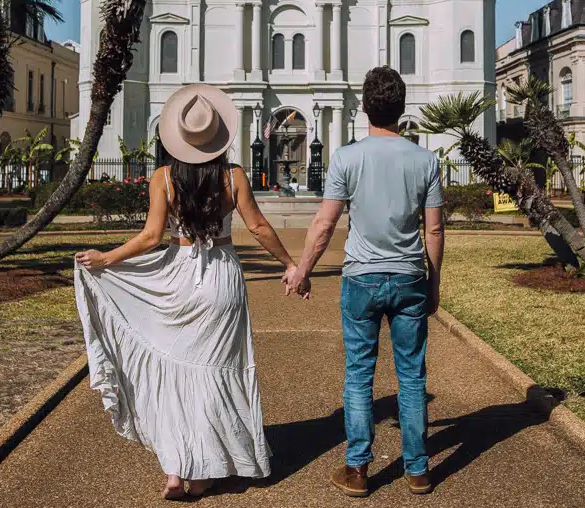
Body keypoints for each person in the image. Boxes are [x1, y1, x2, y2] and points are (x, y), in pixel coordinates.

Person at [75, 84, 298, 500]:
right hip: (222, 281)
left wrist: (107, 259)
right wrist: (290, 264)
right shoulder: (233, 177)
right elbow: (259, 227)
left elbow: (150, 237)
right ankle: (205, 469)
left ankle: (177, 470)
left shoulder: (163, 177)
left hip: (180, 278)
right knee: (216, 374)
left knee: (179, 371)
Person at [284, 66, 445, 497]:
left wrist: (303, 270)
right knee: (411, 376)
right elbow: (433, 230)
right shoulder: (426, 160)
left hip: (362, 279)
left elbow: (324, 223)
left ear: (364, 106)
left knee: (359, 375)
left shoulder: (347, 158)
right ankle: (417, 469)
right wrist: (434, 281)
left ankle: (358, 469)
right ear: (402, 107)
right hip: (410, 276)